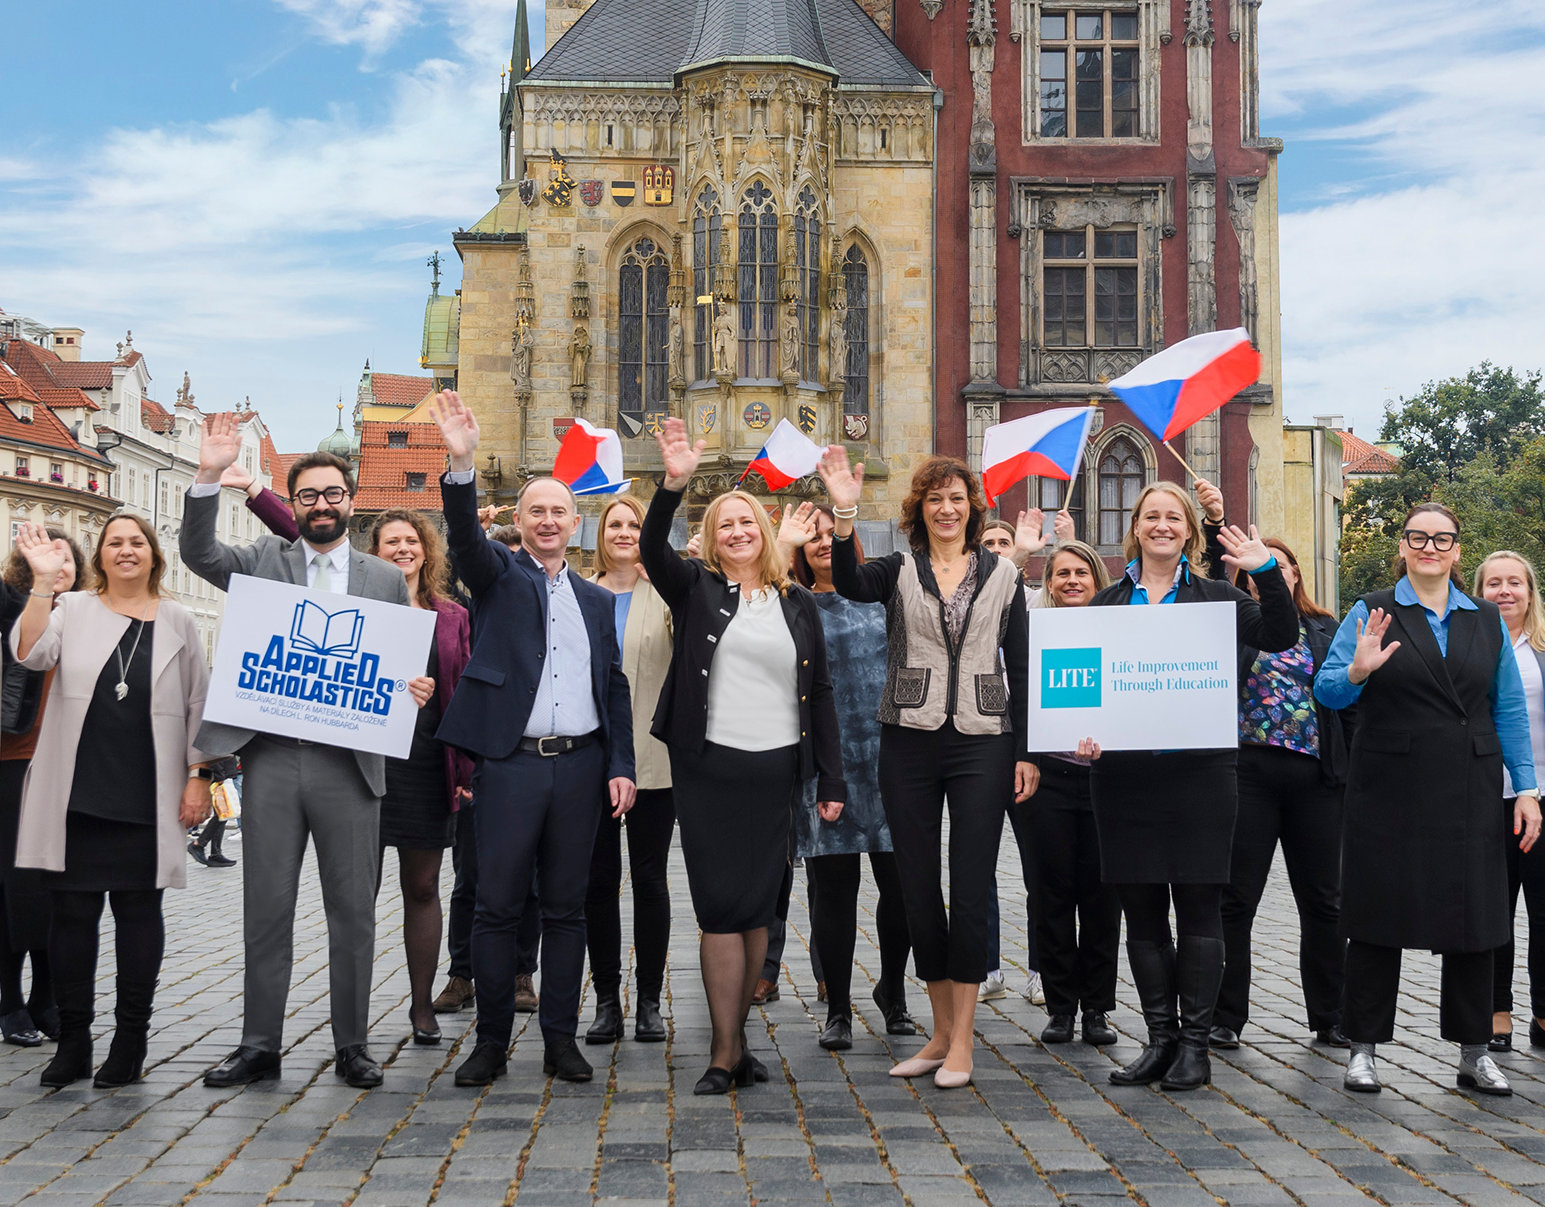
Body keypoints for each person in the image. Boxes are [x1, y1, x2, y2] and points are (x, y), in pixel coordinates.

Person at [182, 416, 430, 1090]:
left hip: (349, 765)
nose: (322, 504)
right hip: (271, 759)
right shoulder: (264, 560)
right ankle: (259, 1044)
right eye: (309, 495)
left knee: (352, 912)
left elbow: (398, 667)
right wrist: (208, 475)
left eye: (332, 494)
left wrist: (415, 687)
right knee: (266, 907)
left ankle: (353, 1045)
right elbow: (199, 554)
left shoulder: (385, 577)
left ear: (351, 500)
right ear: (292, 504)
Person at [429, 390, 635, 1088]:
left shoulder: (597, 601)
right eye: (535, 511)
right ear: (518, 523)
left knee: (567, 910)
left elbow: (613, 686)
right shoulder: (497, 576)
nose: (548, 520)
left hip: (579, 768)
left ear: (576, 523)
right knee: (496, 906)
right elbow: (463, 538)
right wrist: (461, 463)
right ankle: (490, 1041)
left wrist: (621, 764)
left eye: (558, 511)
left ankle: (559, 1039)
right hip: (511, 767)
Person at [818, 447, 1036, 1089]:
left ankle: (963, 1039)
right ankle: (940, 1033)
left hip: (983, 739)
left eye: (956, 499)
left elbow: (1021, 664)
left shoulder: (1004, 575)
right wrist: (844, 514)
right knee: (915, 887)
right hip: (908, 738)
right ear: (920, 509)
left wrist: (1026, 750)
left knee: (969, 886)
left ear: (972, 509)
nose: (946, 509)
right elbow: (849, 583)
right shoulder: (897, 569)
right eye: (935, 499)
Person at [643, 418, 846, 1095]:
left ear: (764, 529)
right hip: (709, 769)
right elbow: (651, 547)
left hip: (775, 769)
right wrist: (673, 484)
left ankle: (740, 1043)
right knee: (718, 908)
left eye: (745, 522)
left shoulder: (796, 603)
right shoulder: (694, 589)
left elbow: (820, 693)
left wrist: (830, 778)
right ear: (711, 537)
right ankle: (722, 1049)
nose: (736, 532)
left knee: (758, 906)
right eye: (723, 524)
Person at [1316, 503, 1541, 1096]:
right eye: (1418, 537)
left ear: (1457, 551)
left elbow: (1508, 709)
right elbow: (1328, 691)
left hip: (1469, 784)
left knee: (1476, 919)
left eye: (1442, 539)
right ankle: (1362, 1049)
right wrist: (1357, 671)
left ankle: (1474, 1052)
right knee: (1375, 918)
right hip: (1387, 788)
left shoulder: (1485, 619)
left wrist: (1526, 789)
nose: (1430, 548)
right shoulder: (1371, 610)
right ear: (1403, 546)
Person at [1089, 481, 1296, 1092]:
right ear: (1135, 527)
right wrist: (1078, 732)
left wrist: (1266, 572)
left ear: (1188, 530)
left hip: (1201, 776)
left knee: (1200, 907)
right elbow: (1082, 683)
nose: (1161, 525)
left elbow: (1281, 634)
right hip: (1123, 778)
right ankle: (1160, 1041)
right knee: (1142, 913)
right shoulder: (1105, 603)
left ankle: (1196, 1047)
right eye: (1151, 516)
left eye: (1173, 517)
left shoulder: (1219, 598)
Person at [9, 516, 215, 1087]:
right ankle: (74, 1042)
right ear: (99, 557)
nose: (126, 550)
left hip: (148, 792)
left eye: (137, 542)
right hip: (76, 791)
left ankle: (130, 1042)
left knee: (139, 915)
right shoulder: (71, 609)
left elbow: (199, 704)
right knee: (72, 916)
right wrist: (43, 585)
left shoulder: (178, 619)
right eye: (114, 542)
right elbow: (29, 653)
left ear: (154, 555)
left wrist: (199, 776)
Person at [781, 503, 916, 1048]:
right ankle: (838, 1007)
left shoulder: (882, 597)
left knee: (901, 889)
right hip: (826, 764)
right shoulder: (792, 605)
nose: (821, 542)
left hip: (889, 759)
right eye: (810, 536)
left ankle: (893, 992)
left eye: (830, 533)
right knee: (834, 893)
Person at [1213, 537, 1351, 1051]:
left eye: (1276, 566)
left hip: (1316, 777)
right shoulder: (1233, 625)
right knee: (1235, 900)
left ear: (1294, 573)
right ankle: (1226, 1017)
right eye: (1252, 572)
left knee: (1324, 902)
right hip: (1247, 773)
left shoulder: (1327, 628)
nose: (1266, 577)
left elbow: (1348, 700)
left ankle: (1331, 1016)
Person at [367, 509, 473, 1047]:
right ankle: (350, 1011)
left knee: (424, 886)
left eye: (412, 540)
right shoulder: (357, 608)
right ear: (374, 553)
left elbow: (467, 693)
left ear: (427, 551)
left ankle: (421, 1005)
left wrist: (468, 769)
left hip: (428, 762)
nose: (403, 549)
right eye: (391, 542)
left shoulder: (452, 616)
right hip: (363, 762)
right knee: (356, 893)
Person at [434, 522, 541, 1018]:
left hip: (527, 755)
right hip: (478, 754)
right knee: (469, 876)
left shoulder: (536, 605)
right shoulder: (467, 607)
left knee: (529, 878)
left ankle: (522, 971)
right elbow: (451, 564)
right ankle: (462, 973)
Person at [584, 495, 677, 1046]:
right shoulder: (580, 591)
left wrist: (672, 576)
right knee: (598, 882)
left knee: (649, 879)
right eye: (614, 524)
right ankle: (604, 1000)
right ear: (599, 534)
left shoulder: (664, 593)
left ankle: (647, 1001)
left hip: (653, 757)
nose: (623, 532)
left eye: (634, 524)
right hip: (592, 760)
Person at [1024, 541, 1122, 1047]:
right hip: (1050, 779)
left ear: (1097, 580)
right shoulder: (1033, 633)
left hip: (1107, 780)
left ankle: (1097, 1009)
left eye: (1081, 573)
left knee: (1103, 899)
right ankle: (1061, 1007)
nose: (1072, 581)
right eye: (1062, 573)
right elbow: (1017, 697)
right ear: (1049, 583)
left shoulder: (1119, 633)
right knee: (1051, 896)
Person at [0, 527, 87, 1047]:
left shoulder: (91, 618)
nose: (58, 568)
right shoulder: (10, 606)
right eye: (48, 558)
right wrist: (38, 578)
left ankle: (46, 998)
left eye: (66, 559)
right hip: (14, 761)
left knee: (62, 891)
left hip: (72, 768)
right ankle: (9, 1001)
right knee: (14, 891)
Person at [1475, 551, 1545, 1052]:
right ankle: (1497, 1012)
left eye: (1514, 582)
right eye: (1493, 583)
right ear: (1479, 593)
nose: (1504, 591)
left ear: (1530, 591)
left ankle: (1544, 1015)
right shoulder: (1468, 648)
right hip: (1484, 799)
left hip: (1541, 797)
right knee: (1493, 913)